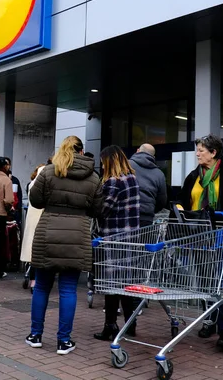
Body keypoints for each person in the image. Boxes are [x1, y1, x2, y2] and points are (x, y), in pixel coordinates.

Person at [26, 136, 103, 355]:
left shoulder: (49, 171)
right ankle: (63, 341)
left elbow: (35, 201)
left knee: (41, 286)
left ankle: (35, 335)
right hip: (77, 233)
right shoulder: (93, 177)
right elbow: (97, 209)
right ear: (81, 151)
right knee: (68, 289)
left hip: (47, 230)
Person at [177, 134, 223, 352]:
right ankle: (209, 320)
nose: (197, 153)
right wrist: (181, 207)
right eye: (197, 150)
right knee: (205, 283)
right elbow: (182, 198)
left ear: (213, 152)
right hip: (199, 237)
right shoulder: (194, 176)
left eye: (201, 150)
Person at [93, 146, 141, 341]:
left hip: (113, 238)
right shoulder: (132, 179)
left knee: (111, 285)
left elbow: (103, 210)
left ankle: (110, 326)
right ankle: (130, 324)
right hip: (130, 239)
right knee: (126, 284)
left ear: (109, 161)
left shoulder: (113, 182)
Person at [21, 164, 47, 291]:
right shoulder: (46, 186)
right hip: (43, 220)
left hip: (31, 221)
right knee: (40, 253)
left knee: (31, 253)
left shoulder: (31, 185)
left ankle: (32, 280)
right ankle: (36, 280)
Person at [129, 143, 167, 227]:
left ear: (137, 151)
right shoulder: (159, 174)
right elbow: (162, 201)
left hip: (127, 214)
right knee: (144, 239)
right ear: (153, 157)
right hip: (146, 217)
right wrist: (150, 209)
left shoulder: (126, 165)